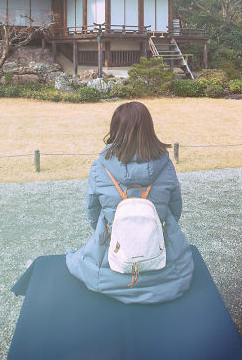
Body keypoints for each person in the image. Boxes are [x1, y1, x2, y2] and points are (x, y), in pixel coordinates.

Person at [66, 101, 194, 304]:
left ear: (115, 129)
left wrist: (111, 230)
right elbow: (175, 208)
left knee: (82, 261)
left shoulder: (100, 166)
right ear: (149, 129)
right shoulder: (166, 165)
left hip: (112, 256)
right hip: (162, 258)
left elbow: (92, 210)